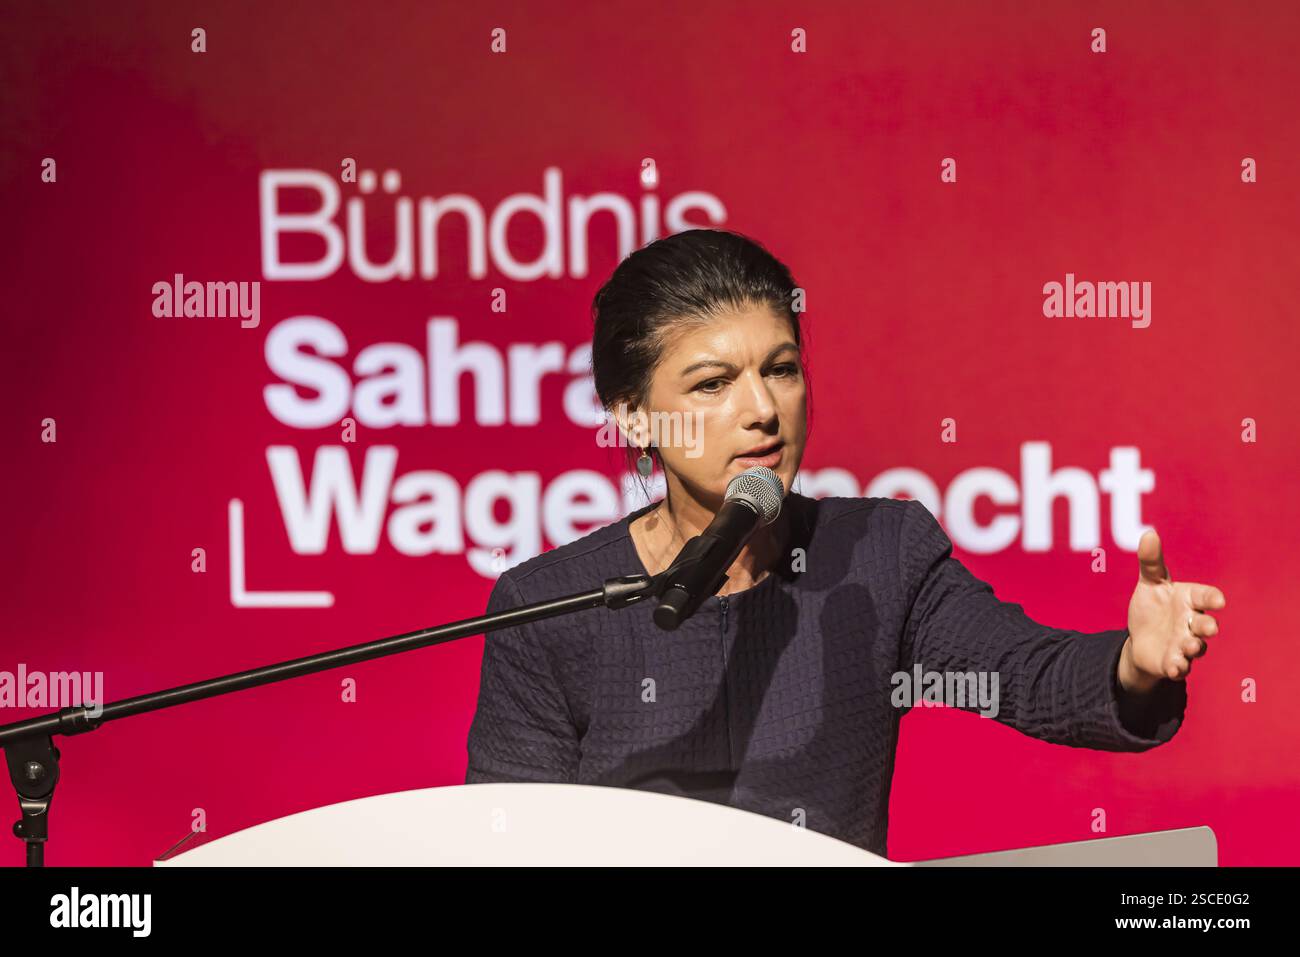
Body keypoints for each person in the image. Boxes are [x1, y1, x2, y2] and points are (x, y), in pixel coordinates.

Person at [463, 227, 1227, 858]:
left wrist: (1130, 666)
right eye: (712, 384)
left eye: (782, 369)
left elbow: (1030, 674)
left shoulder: (876, 556)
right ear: (634, 418)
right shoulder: (546, 610)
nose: (763, 409)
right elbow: (503, 848)